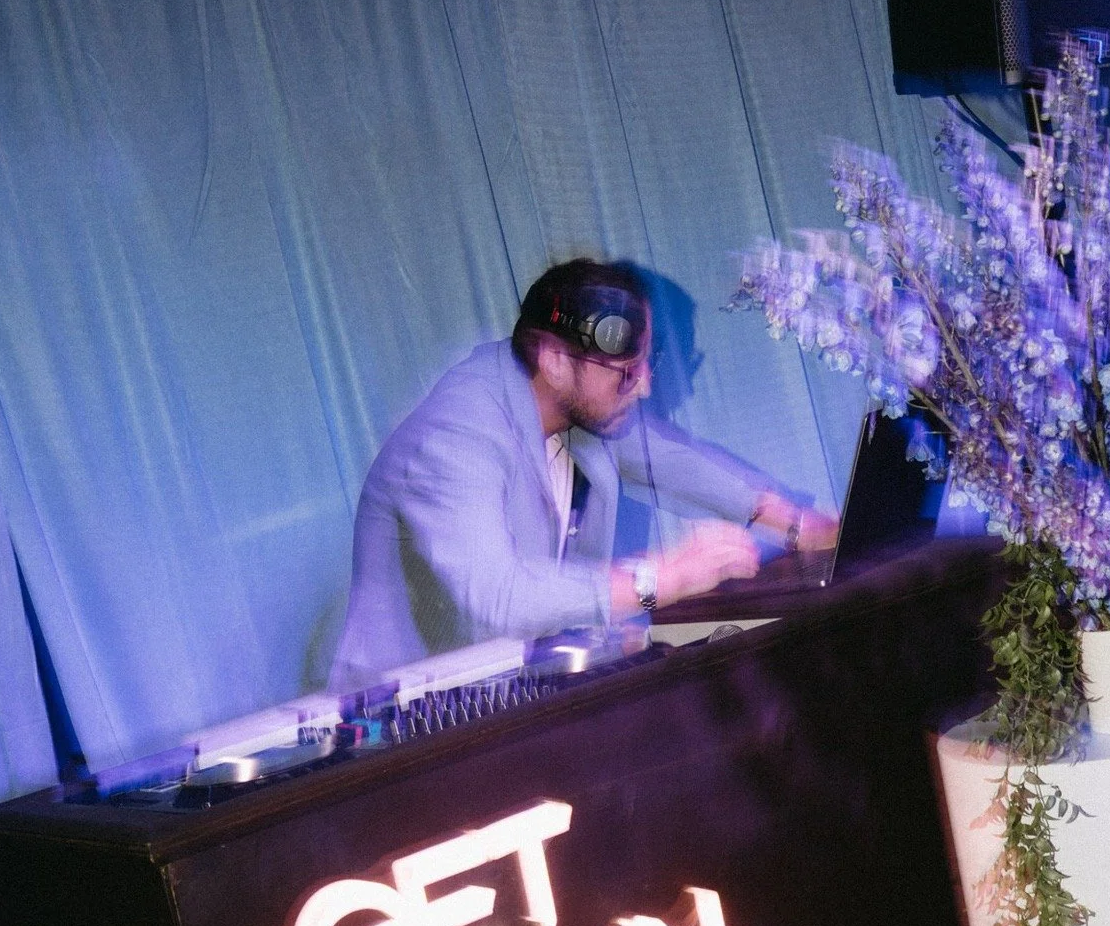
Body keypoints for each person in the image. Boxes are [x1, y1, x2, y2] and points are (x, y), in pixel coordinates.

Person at [330, 260, 837, 686]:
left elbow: (666, 456)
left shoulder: (564, 400)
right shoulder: (455, 438)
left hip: (511, 692)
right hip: (401, 723)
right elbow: (498, 598)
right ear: (554, 359)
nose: (641, 391)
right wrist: (662, 577)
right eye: (624, 375)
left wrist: (792, 522)